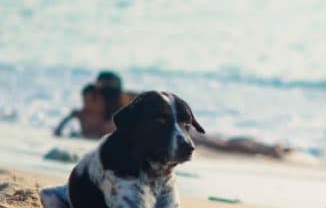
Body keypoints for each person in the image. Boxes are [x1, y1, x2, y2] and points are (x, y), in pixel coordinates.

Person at [54, 71, 291, 159]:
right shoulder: (110, 112)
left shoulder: (116, 115)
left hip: (172, 134)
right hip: (172, 133)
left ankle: (266, 149)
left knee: (222, 144)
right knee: (221, 142)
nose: (87, 103)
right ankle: (266, 147)